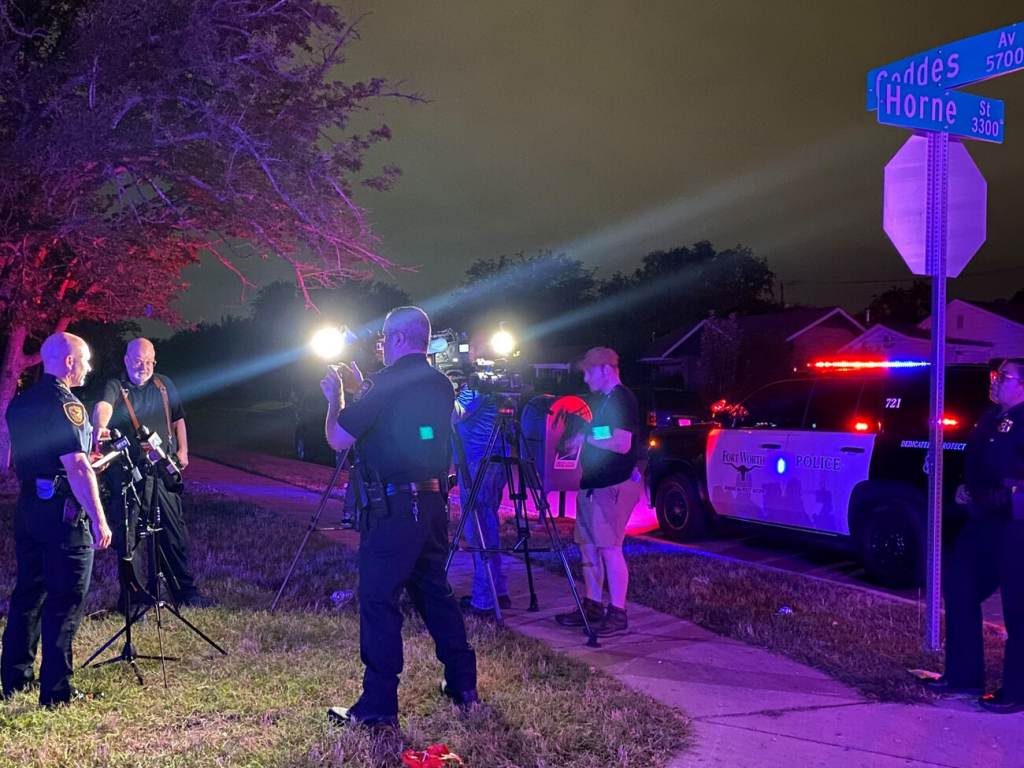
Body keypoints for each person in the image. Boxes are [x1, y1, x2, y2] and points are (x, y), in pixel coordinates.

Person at [321, 306, 478, 727]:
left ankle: (378, 704)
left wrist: (336, 397)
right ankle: (463, 682)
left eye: (384, 340)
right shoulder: (441, 383)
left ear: (395, 339)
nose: (381, 347)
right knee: (433, 592)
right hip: (431, 504)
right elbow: (397, 423)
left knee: (378, 598)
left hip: (393, 509)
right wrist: (364, 389)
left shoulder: (385, 382)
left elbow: (338, 438)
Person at [2, 333, 112, 707]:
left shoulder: (20, 404)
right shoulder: (69, 406)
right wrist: (99, 520)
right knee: (64, 600)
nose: (88, 367)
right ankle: (57, 691)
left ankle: (14, 679)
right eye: (85, 360)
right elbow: (78, 468)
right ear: (68, 362)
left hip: (29, 507)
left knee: (28, 594)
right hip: (63, 515)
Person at [924, 358, 1024, 713]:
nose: (996, 381)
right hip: (982, 520)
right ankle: (964, 677)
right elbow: (980, 464)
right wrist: (967, 489)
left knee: (1017, 607)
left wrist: (1008, 496)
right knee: (960, 584)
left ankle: (1016, 690)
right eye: (996, 375)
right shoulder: (991, 417)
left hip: (1015, 525)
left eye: (1005, 376)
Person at [91, 338, 207, 609]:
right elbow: (102, 407)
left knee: (173, 531)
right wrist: (99, 426)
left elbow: (178, 419)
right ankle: (132, 597)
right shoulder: (116, 386)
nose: (143, 366)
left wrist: (183, 451)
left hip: (163, 470)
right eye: (137, 361)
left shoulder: (164, 384)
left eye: (148, 362)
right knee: (129, 535)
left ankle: (184, 592)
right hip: (129, 473)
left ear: (154, 361)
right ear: (126, 360)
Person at [555, 347, 641, 636]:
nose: (586, 378)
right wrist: (579, 440)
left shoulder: (622, 399)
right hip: (592, 486)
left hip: (611, 486)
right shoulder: (601, 401)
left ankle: (618, 612)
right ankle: (592, 605)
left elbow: (622, 440)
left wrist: (587, 436)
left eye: (589, 372)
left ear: (606, 370)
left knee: (609, 549)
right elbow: (605, 434)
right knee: (588, 546)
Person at [449, 370, 511, 615]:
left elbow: (452, 416)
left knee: (478, 530)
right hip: (494, 461)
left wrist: (443, 395)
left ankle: (485, 600)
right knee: (488, 524)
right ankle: (498, 590)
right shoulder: (492, 389)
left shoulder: (473, 390)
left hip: (477, 464)